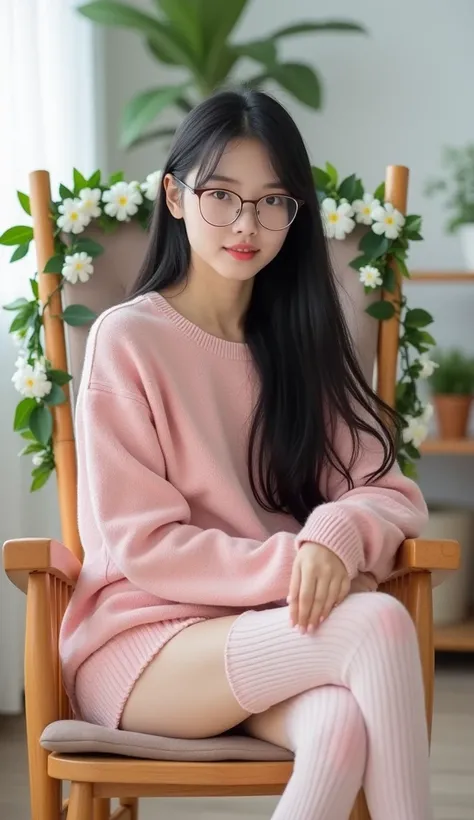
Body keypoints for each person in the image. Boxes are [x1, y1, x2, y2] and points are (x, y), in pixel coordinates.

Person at [59, 88, 432, 819]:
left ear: (295, 214)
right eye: (222, 195)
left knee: (338, 729)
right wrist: (302, 566)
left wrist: (335, 535)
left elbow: (389, 491)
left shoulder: (295, 344)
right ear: (174, 195)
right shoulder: (128, 339)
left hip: (264, 636)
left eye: (271, 202)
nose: (246, 223)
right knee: (379, 622)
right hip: (143, 647)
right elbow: (146, 545)